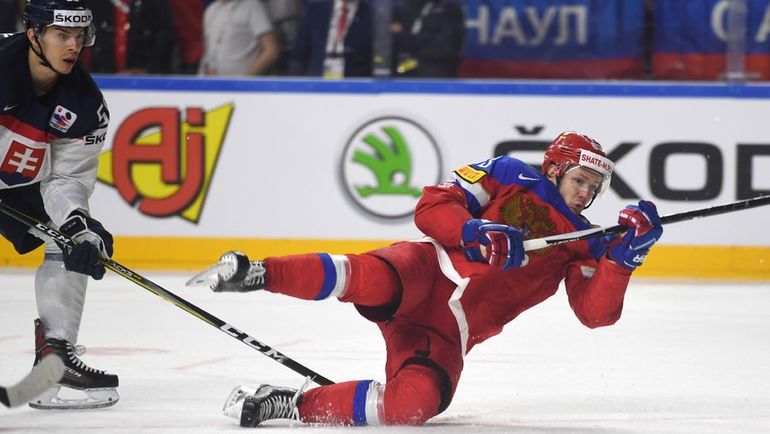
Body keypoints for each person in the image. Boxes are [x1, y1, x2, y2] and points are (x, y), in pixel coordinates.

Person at [189, 131, 664, 427]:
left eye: (593, 187)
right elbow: (432, 206)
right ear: (556, 169)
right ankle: (257, 272)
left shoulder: (588, 241)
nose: (586, 194)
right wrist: (472, 229)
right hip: (426, 274)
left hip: (448, 332)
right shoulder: (507, 172)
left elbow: (595, 315)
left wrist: (624, 259)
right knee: (363, 276)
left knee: (411, 406)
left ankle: (289, 405)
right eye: (579, 180)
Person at [0, 0, 117, 409]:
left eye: (79, 37)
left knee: (79, 240)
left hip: (13, 186)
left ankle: (54, 362)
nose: (73, 46)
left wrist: (75, 225)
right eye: (62, 35)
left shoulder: (85, 104)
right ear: (33, 35)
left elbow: (65, 179)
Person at [289, 0, 373, 78]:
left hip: (355, 88)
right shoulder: (315, 10)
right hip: (315, 86)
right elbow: (298, 57)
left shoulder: (373, 16)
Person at [199, 0, 280, 76]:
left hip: (242, 87)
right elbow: (208, 52)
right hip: (212, 85)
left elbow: (271, 50)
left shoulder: (252, 6)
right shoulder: (211, 10)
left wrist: (243, 82)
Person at [391, 0, 465, 78]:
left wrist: (409, 40)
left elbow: (445, 46)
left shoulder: (450, 8)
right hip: (401, 73)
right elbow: (392, 40)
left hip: (436, 73)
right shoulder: (403, 7)